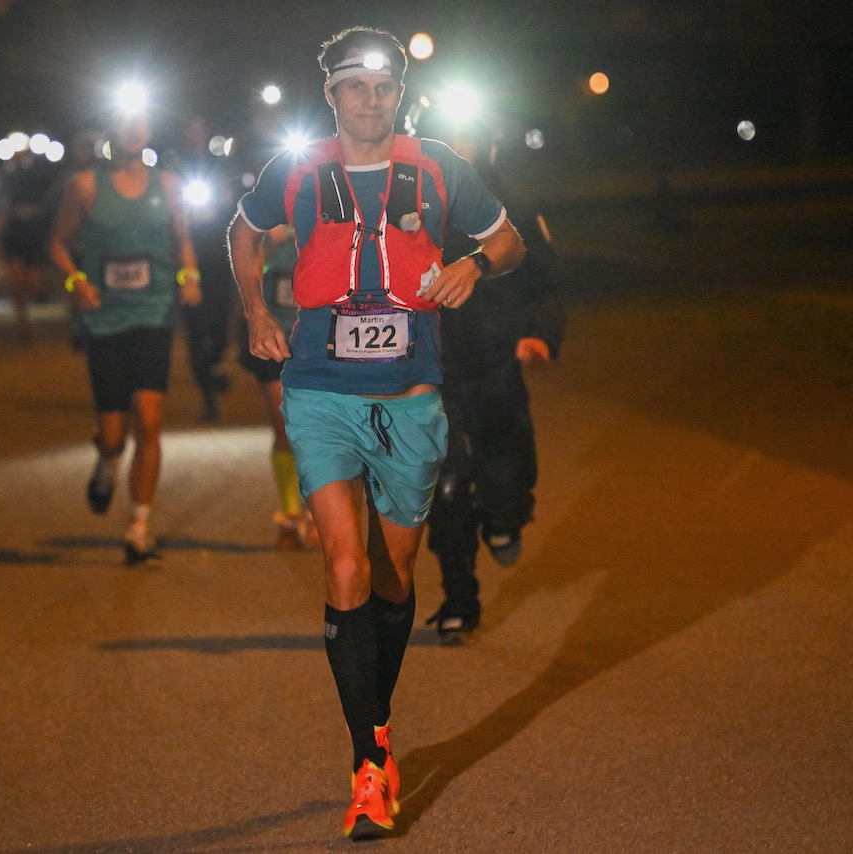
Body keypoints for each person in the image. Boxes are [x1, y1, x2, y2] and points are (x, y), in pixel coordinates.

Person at [228, 27, 526, 840]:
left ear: (401, 93)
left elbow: (509, 238)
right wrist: (256, 311)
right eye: (354, 85)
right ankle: (368, 764)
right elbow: (244, 230)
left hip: (410, 397)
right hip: (320, 389)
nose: (370, 97)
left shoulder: (437, 166)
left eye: (384, 85)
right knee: (346, 562)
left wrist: (473, 264)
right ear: (330, 92)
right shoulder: (297, 168)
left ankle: (377, 720)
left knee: (395, 575)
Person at [424, 123, 566, 643]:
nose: (462, 144)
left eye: (470, 134)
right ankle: (459, 598)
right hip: (431, 369)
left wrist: (540, 336)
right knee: (446, 486)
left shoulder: (512, 204)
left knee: (504, 477)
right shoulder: (411, 201)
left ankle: (505, 516)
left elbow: (547, 283)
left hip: (495, 364)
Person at [47, 109, 202, 565]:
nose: (134, 131)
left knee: (149, 419)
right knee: (114, 432)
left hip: (153, 313)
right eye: (124, 124)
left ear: (149, 132)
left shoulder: (168, 185)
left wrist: (190, 276)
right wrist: (78, 284)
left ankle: (138, 526)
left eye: (141, 124)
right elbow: (56, 244)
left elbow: (183, 239)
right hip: (105, 318)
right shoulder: (86, 187)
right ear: (111, 133)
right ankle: (107, 459)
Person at [234, 224, 318, 550]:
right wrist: (266, 245)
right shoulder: (269, 229)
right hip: (274, 338)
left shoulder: (326, 218)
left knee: (314, 432)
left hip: (315, 341)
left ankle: (316, 513)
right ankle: (290, 514)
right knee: (284, 426)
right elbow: (249, 272)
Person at [173, 114, 237, 421]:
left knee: (221, 329)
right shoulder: (173, 166)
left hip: (218, 259)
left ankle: (213, 368)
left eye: (199, 129)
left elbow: (232, 205)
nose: (195, 134)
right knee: (196, 330)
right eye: (190, 129)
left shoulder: (219, 166)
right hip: (190, 259)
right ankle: (207, 395)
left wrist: (224, 202)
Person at [0, 149, 57, 343]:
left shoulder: (41, 176)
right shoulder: (7, 178)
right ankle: (22, 322)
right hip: (15, 232)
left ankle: (34, 302)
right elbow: (2, 206)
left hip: (33, 232)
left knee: (34, 282)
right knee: (16, 278)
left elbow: (48, 205)